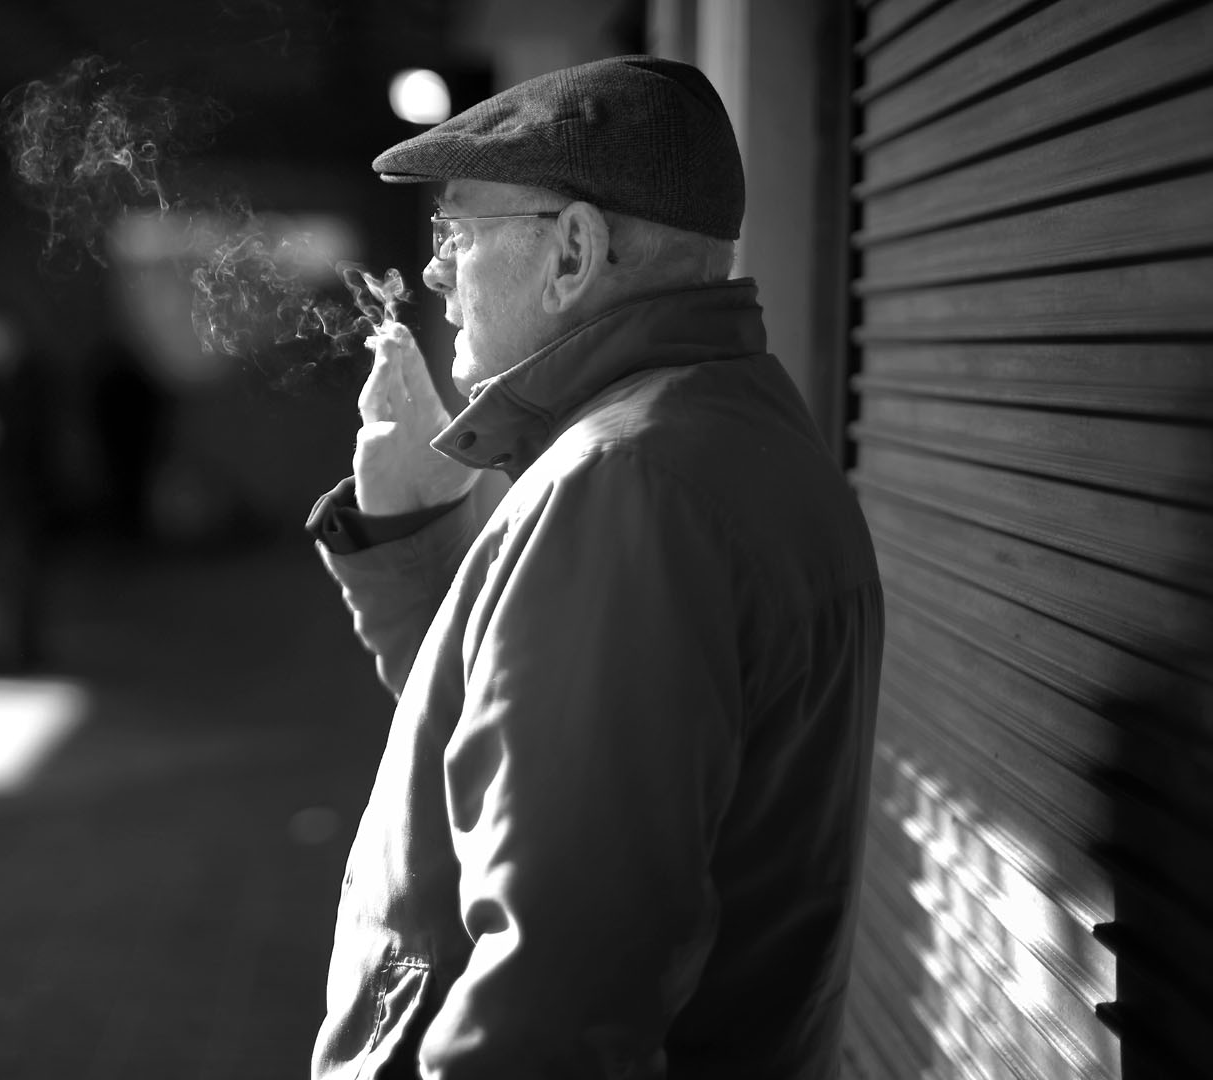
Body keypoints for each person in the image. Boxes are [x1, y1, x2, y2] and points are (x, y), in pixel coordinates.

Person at [303, 56, 883, 1079]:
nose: (435, 274)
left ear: (573, 250)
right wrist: (418, 526)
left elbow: (554, 999)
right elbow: (515, 757)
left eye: (458, 234)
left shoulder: (628, 484)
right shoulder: (719, 430)